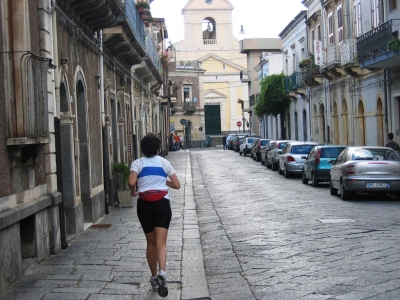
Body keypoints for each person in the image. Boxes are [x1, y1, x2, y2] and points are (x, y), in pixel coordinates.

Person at [128, 133, 181, 297]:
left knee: (150, 243)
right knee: (161, 243)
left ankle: (153, 278)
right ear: (158, 148)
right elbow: (177, 185)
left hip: (145, 205)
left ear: (142, 148)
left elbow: (131, 182)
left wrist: (133, 191)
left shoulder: (137, 163)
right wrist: (163, 180)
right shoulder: (164, 163)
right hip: (162, 204)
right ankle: (162, 272)